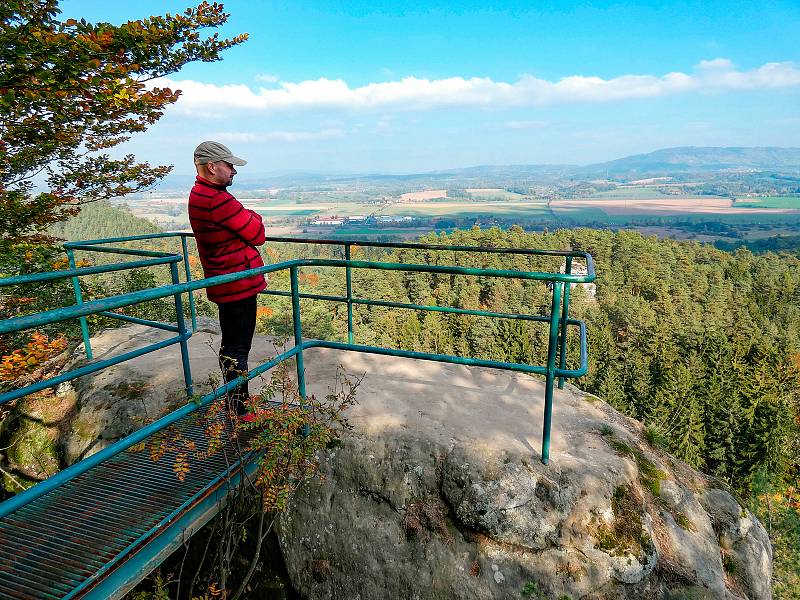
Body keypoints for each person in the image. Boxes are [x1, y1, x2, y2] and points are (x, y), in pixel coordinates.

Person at [188, 141, 267, 415]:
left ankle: (237, 402)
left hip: (228, 280)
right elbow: (257, 233)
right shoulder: (216, 199)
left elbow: (247, 225)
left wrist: (247, 217)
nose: (234, 171)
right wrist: (252, 216)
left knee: (233, 345)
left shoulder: (204, 194)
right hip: (237, 283)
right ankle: (240, 408)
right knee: (237, 348)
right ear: (212, 167)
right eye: (229, 165)